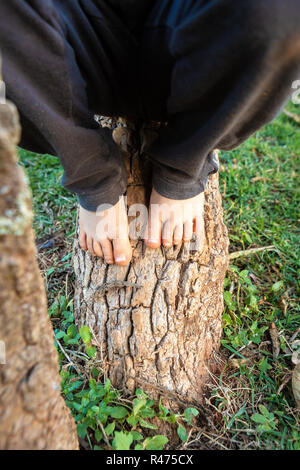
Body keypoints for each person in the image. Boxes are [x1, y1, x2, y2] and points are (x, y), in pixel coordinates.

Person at [1, 0, 299, 265]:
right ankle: (90, 166)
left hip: (196, 35)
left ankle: (184, 160)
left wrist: (183, 169)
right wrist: (91, 177)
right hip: (70, 36)